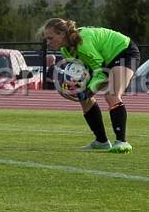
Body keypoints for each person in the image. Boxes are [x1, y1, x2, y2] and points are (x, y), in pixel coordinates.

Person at [43, 18, 140, 153]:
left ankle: (122, 142)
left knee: (112, 94)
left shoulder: (83, 42)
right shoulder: (66, 49)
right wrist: (71, 88)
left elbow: (100, 73)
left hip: (123, 51)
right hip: (104, 59)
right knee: (84, 99)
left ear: (62, 34)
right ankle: (101, 141)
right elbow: (83, 72)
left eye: (50, 38)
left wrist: (88, 91)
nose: (48, 42)